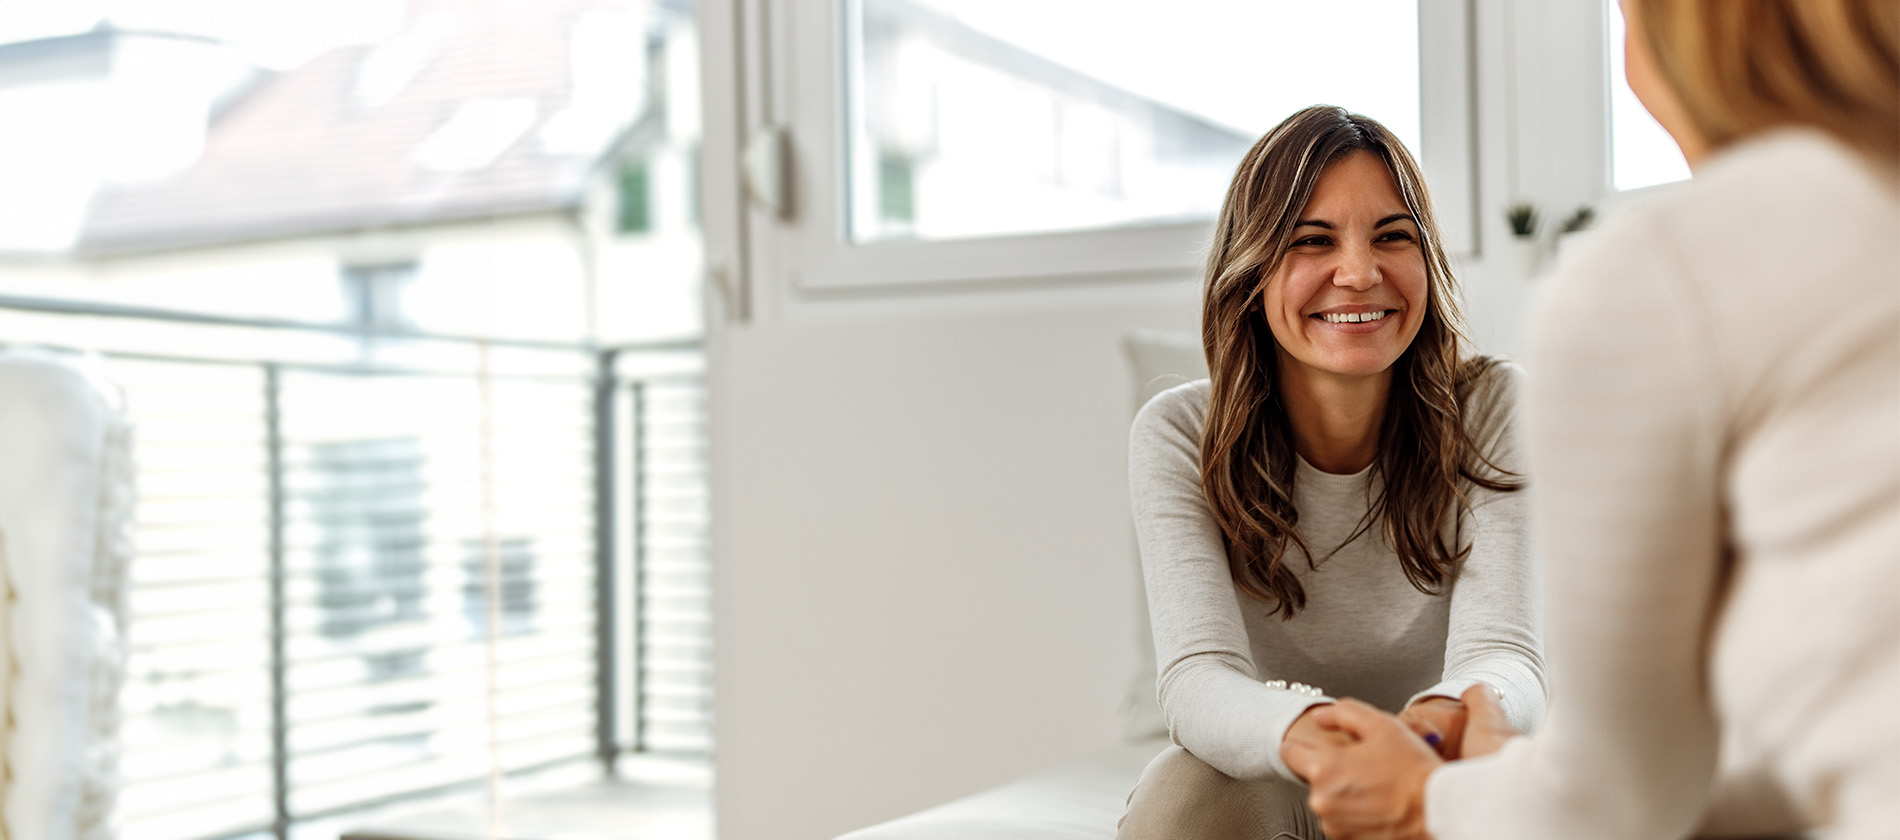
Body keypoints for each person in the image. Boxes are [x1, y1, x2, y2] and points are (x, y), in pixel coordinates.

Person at [1282, 1, 1900, 838]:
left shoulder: (1665, 276)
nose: (1355, 273)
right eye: (1311, 241)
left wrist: (1431, 799)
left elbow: (1615, 804)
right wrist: (1508, 782)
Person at [1117, 105, 1547, 840]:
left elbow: (1503, 656)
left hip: (1443, 770)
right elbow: (1197, 680)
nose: (1359, 272)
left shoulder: (1493, 406)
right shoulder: (1178, 433)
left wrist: (1428, 734)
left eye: (1392, 237)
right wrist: (1318, 735)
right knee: (1183, 791)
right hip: (1284, 771)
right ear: (1251, 271)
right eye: (1313, 241)